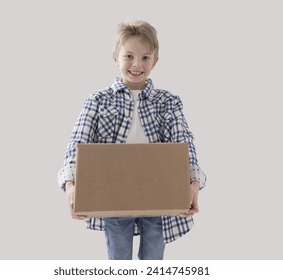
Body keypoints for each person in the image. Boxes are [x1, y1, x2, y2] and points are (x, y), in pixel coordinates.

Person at [57, 20, 207, 260]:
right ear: (115, 56)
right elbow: (77, 143)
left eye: (145, 58)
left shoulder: (168, 102)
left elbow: (184, 143)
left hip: (160, 193)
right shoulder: (98, 101)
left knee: (153, 258)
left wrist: (193, 181)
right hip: (112, 193)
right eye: (129, 56)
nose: (137, 65)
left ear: (155, 61)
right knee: (119, 259)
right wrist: (71, 185)